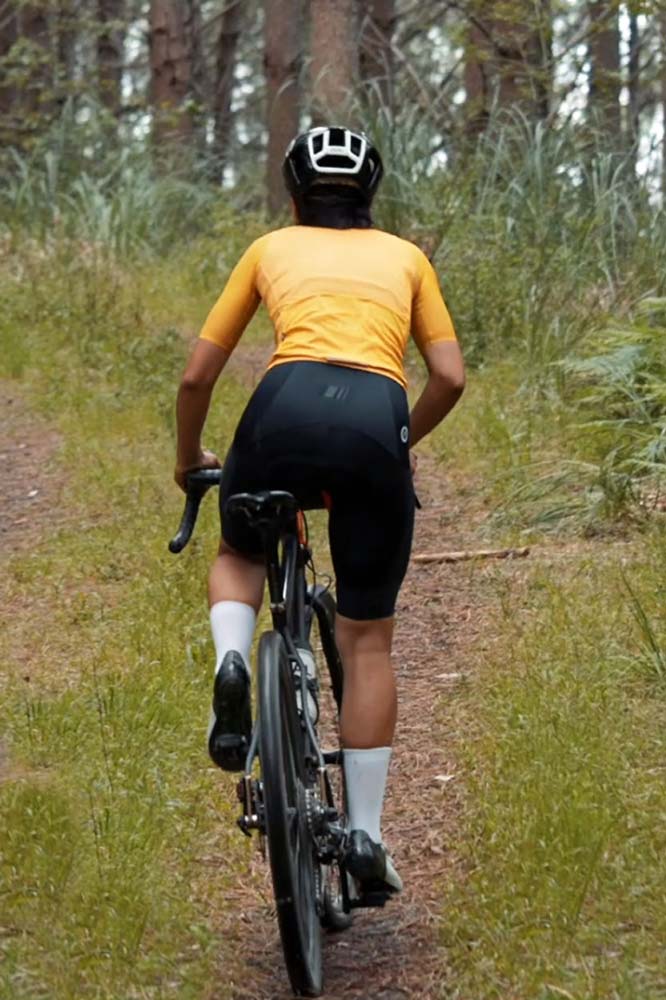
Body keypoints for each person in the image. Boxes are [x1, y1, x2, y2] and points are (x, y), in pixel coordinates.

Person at [174, 125, 465, 896]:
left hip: (281, 411)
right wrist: (402, 443)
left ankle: (233, 659)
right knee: (366, 641)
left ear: (293, 195)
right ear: (372, 195)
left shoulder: (271, 248)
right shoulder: (407, 258)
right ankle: (365, 834)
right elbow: (450, 375)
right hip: (376, 417)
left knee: (239, 551)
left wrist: (188, 456)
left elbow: (197, 375)